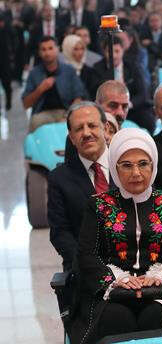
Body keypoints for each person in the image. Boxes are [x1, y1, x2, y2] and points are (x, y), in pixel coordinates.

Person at [69, 128, 162, 344]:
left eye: (143, 164)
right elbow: (87, 254)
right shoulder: (99, 205)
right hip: (111, 292)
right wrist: (117, 280)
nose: (136, 173)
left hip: (160, 291)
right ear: (114, 167)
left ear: (153, 166)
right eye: (126, 165)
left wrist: (160, 277)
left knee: (157, 314)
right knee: (117, 317)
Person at [48, 101, 109, 271]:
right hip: (84, 270)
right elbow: (60, 233)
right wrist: (91, 266)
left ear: (105, 128)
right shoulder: (58, 179)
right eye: (79, 129)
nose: (86, 133)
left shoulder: (128, 166)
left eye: (92, 126)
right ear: (72, 137)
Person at [22, 36, 85, 132]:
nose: (47, 53)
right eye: (43, 49)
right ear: (39, 53)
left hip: (65, 111)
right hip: (42, 114)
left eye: (50, 48)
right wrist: (40, 89)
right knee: (35, 122)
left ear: (57, 49)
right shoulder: (34, 73)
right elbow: (26, 104)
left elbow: (79, 96)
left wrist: (69, 115)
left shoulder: (69, 70)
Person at [93, 35, 155, 132]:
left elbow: (143, 94)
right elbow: (94, 92)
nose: (114, 55)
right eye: (110, 51)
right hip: (108, 109)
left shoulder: (133, 66)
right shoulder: (97, 68)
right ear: (104, 52)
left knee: (148, 120)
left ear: (123, 51)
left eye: (117, 51)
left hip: (132, 108)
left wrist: (128, 104)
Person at [61, 34, 99, 100]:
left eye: (82, 49)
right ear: (68, 49)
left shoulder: (89, 71)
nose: (80, 53)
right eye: (76, 49)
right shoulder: (60, 70)